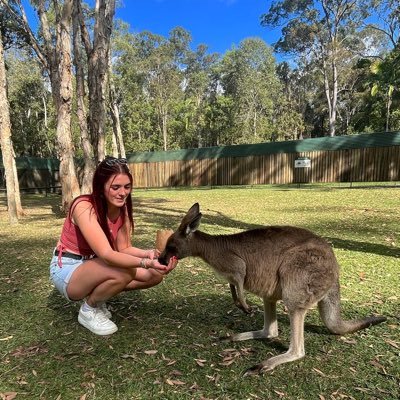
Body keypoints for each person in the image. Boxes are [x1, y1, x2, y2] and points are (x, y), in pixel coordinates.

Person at [49, 156, 178, 336]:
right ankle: (89, 310)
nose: (122, 193)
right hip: (68, 269)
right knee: (125, 270)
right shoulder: (84, 207)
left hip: (95, 265)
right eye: (115, 187)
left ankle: (98, 296)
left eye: (127, 187)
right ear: (101, 187)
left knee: (154, 275)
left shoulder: (121, 209)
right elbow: (107, 254)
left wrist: (150, 255)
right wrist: (144, 262)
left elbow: (124, 249)